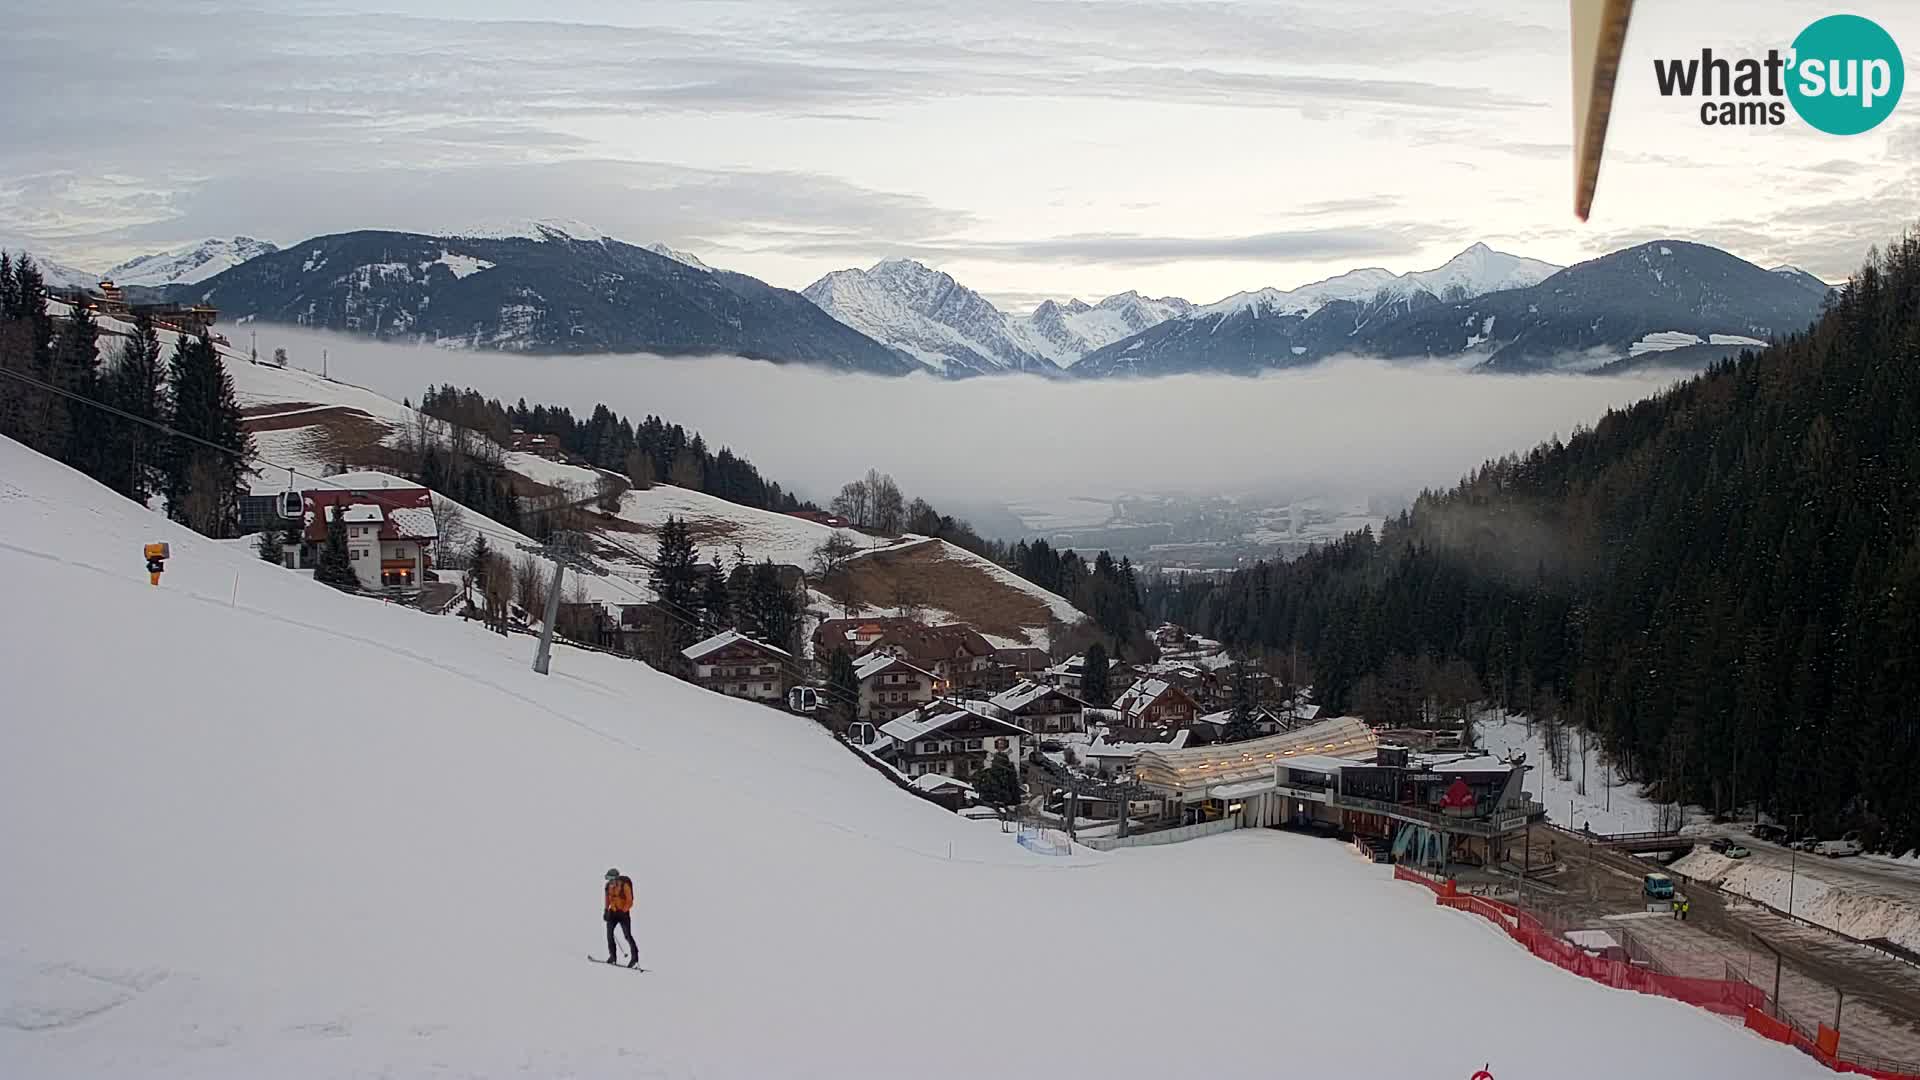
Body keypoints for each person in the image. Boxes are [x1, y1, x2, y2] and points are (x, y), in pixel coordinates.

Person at [604, 867, 637, 966]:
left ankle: (635, 958)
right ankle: (612, 956)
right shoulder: (608, 886)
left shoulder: (624, 886)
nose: (610, 881)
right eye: (608, 879)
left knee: (627, 936)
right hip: (613, 912)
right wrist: (606, 910)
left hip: (623, 914)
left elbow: (630, 901)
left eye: (611, 879)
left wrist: (624, 910)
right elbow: (607, 899)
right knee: (609, 934)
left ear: (616, 878)